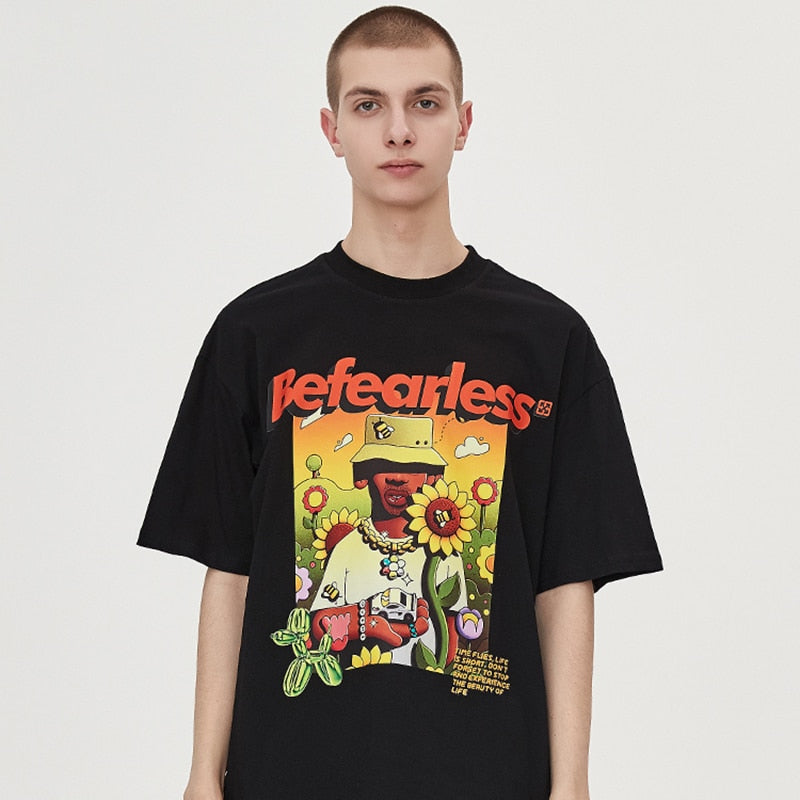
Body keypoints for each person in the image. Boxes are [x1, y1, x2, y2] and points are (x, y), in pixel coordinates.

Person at [138, 6, 663, 800]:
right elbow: (231, 572)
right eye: (367, 104)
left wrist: (572, 785)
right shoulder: (256, 332)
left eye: (425, 101)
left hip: (491, 775)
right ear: (332, 130)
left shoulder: (548, 339)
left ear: (463, 123)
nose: (398, 131)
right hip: (290, 773)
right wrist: (201, 777)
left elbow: (566, 584)